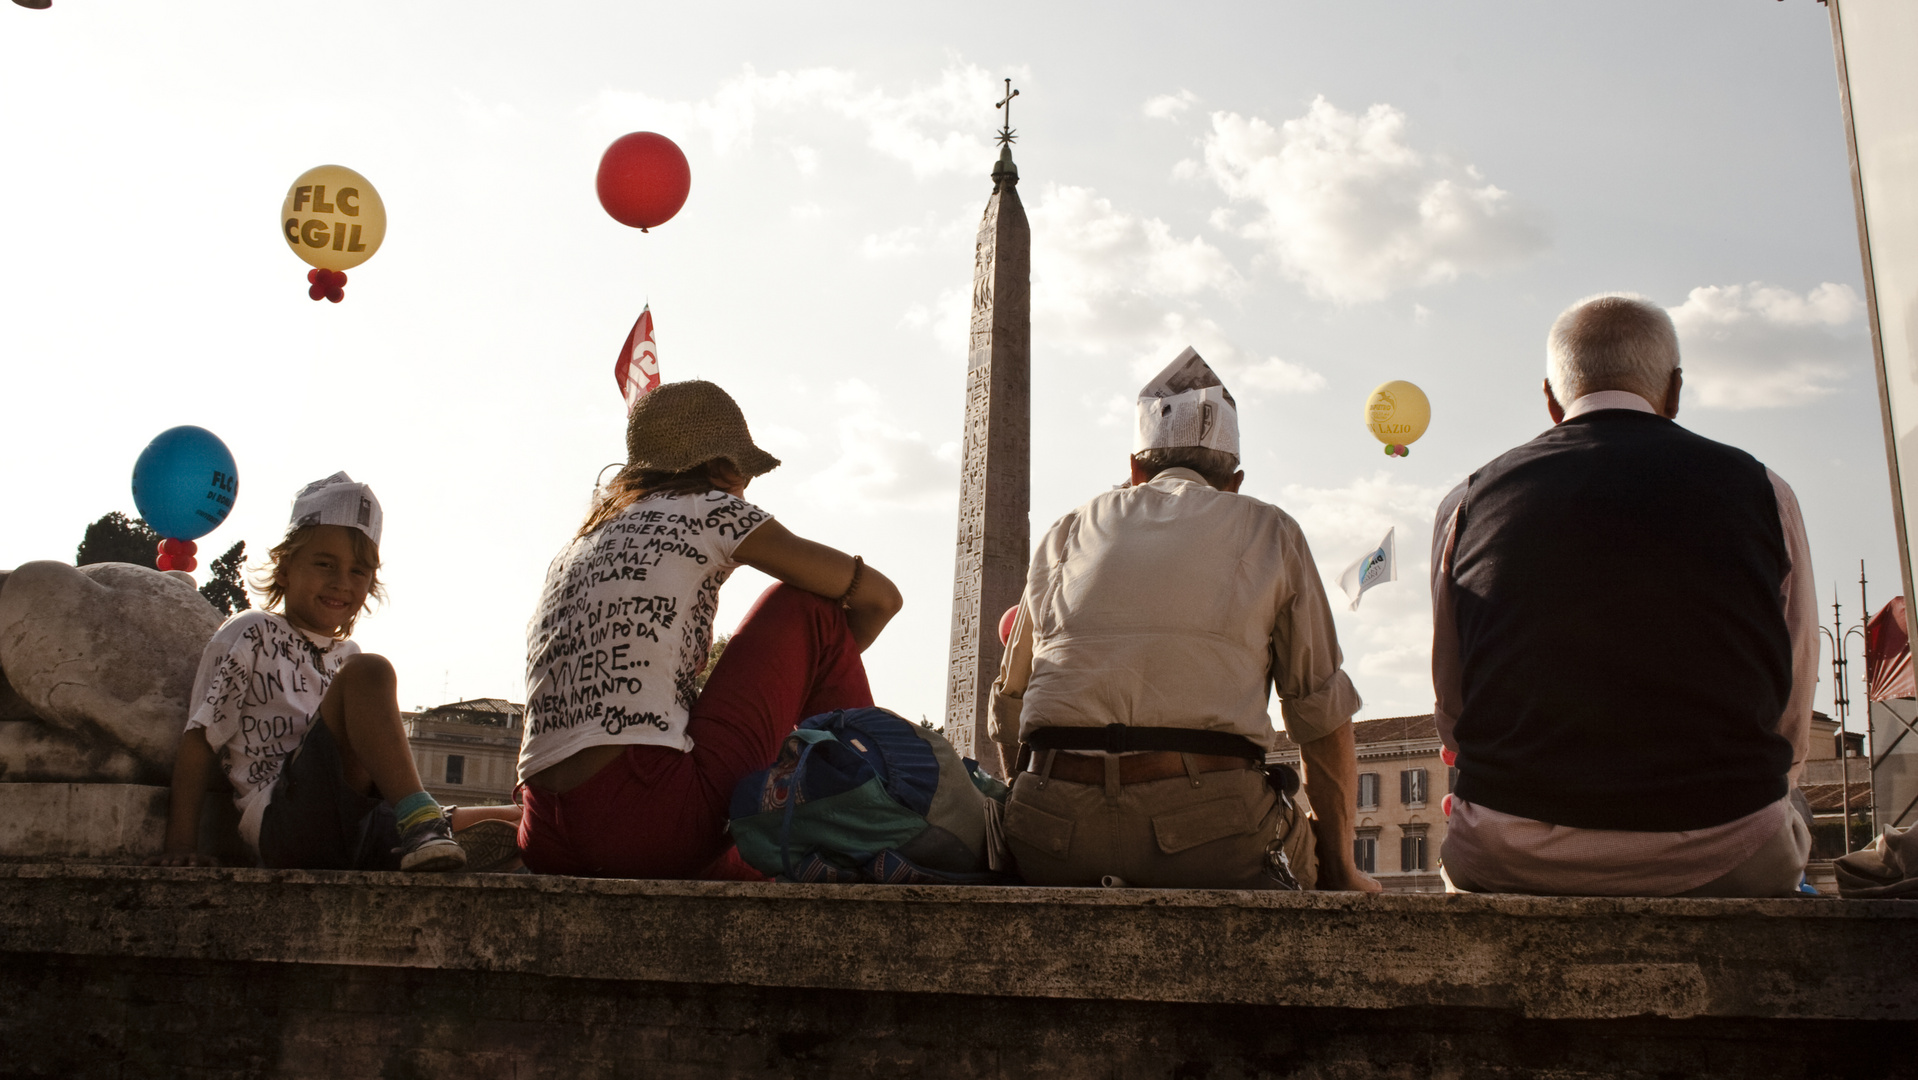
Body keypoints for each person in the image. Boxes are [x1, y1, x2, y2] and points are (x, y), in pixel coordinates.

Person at [1431, 293, 1818, 898]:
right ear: (1675, 390)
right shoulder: (1765, 489)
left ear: (1551, 400)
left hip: (1511, 851)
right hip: (1729, 845)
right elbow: (1792, 699)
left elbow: (1454, 704)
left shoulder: (1468, 499)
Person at [989, 348, 1381, 892]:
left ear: (1134, 470)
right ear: (1235, 481)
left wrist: (1039, 804)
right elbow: (1320, 713)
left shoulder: (1064, 530)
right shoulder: (1270, 529)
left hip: (1052, 831)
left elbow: (1011, 709)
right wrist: (1341, 866)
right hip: (1214, 830)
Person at [517, 380, 903, 879]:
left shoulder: (583, 539)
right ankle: (876, 818)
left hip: (545, 831)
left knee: (751, 865)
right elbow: (881, 597)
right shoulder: (709, 507)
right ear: (723, 466)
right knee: (810, 605)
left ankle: (809, 839)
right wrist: (813, 669)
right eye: (744, 474)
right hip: (648, 818)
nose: (746, 488)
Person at [151, 473, 475, 872]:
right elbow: (201, 739)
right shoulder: (251, 632)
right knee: (370, 670)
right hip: (286, 824)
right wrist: (180, 842)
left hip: (356, 823)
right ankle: (425, 825)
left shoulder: (346, 655)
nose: (341, 582)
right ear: (286, 568)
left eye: (358, 571)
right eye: (325, 564)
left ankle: (462, 831)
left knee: (513, 817)